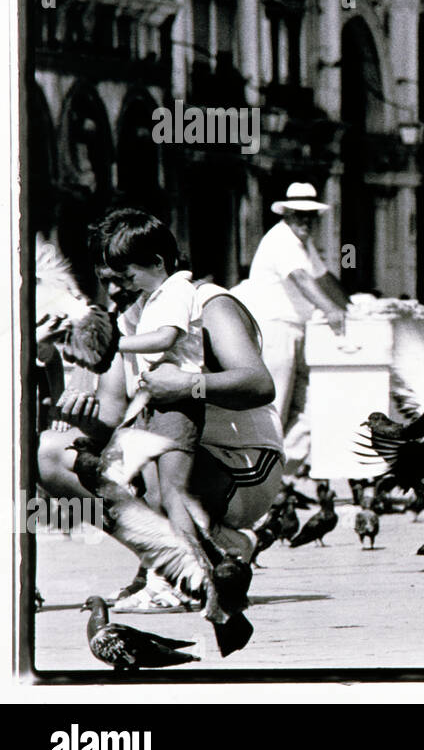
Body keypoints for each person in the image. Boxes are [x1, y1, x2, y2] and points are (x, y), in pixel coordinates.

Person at [39, 210, 285, 611]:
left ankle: (180, 568)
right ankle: (185, 556)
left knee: (148, 449)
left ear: (157, 264)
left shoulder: (209, 302)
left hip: (243, 467)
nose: (116, 290)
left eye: (124, 277)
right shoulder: (125, 325)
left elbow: (259, 384)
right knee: (52, 452)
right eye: (107, 281)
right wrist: (77, 415)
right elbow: (110, 420)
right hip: (177, 457)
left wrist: (192, 384)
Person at [97, 211, 209, 554]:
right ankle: (178, 566)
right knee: (157, 494)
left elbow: (164, 338)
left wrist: (114, 343)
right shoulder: (152, 296)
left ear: (157, 262)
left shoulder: (176, 291)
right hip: (156, 402)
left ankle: (197, 565)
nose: (127, 286)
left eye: (131, 276)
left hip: (178, 403)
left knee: (174, 492)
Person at [233, 182, 348, 477]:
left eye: (310, 216)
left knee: (307, 407)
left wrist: (350, 307)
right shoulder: (281, 240)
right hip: (276, 328)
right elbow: (301, 279)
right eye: (299, 215)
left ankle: (282, 474)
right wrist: (331, 310)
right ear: (287, 215)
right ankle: (259, 475)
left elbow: (323, 278)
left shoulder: (303, 244)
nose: (305, 221)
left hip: (299, 330)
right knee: (276, 406)